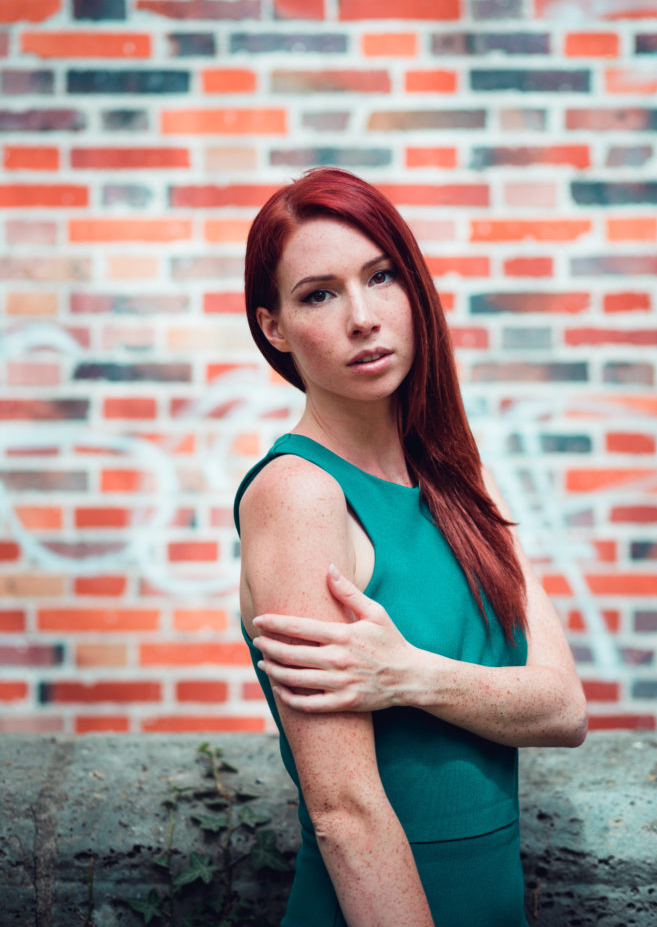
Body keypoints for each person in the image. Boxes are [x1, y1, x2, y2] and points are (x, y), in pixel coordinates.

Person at [233, 168, 587, 927]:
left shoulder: (455, 475)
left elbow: (561, 708)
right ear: (274, 328)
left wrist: (406, 675)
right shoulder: (300, 493)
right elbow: (345, 812)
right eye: (319, 294)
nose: (363, 316)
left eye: (381, 276)